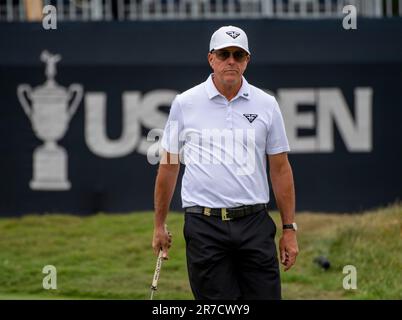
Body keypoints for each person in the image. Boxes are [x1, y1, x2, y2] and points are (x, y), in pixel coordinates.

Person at [152, 25, 299, 300]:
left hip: (254, 222)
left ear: (247, 61)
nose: (231, 61)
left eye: (238, 55)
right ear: (211, 58)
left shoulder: (266, 104)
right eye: (224, 54)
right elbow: (169, 166)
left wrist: (289, 230)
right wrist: (159, 225)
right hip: (204, 226)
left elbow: (280, 168)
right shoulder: (185, 103)